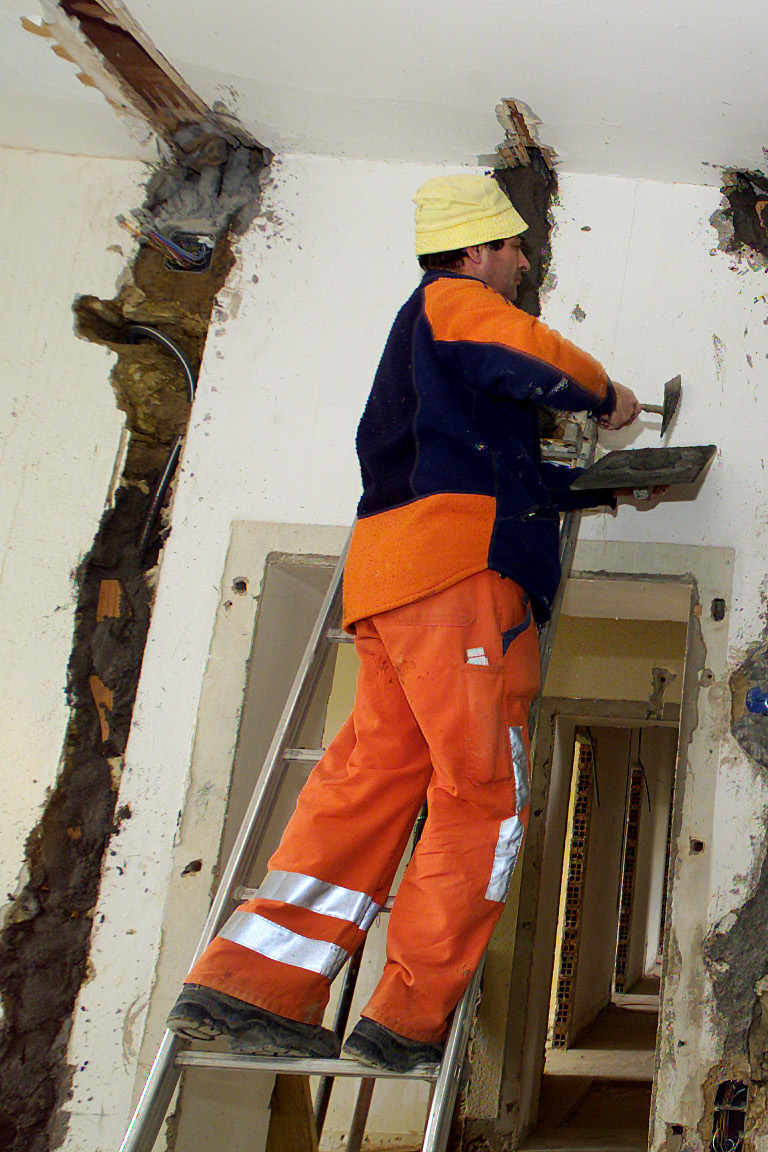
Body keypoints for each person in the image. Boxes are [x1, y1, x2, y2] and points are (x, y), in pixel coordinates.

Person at [166, 174, 641, 1072]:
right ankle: (408, 1021)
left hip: (393, 582)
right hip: (459, 580)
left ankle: (251, 987)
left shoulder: (429, 359)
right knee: (483, 800)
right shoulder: (454, 301)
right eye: (512, 247)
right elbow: (542, 360)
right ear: (473, 252)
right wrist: (606, 392)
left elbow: (481, 437)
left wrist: (556, 483)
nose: (523, 260)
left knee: (374, 776)